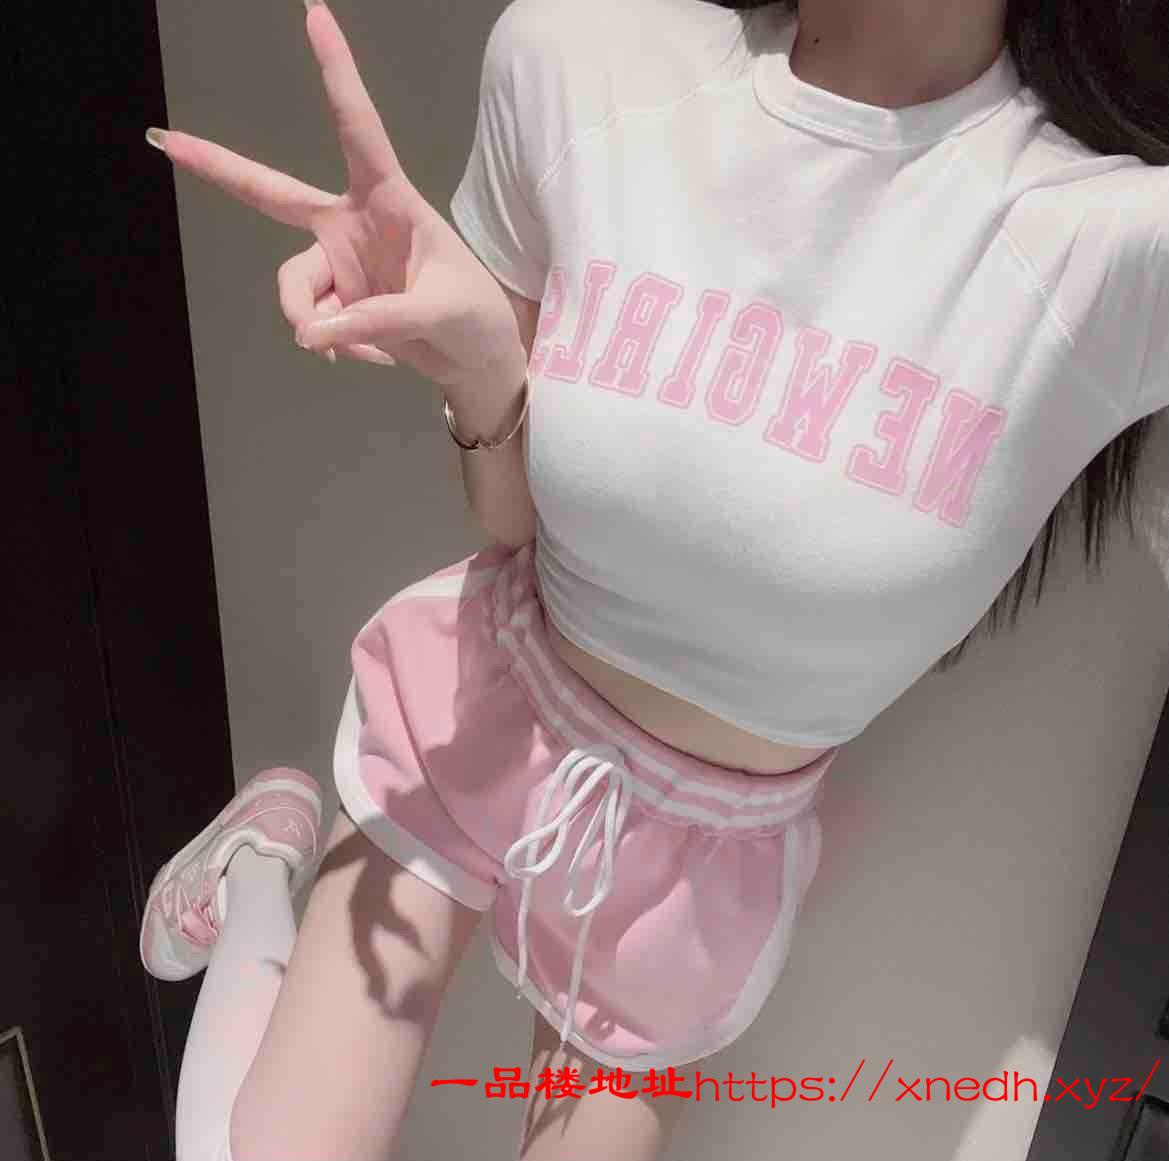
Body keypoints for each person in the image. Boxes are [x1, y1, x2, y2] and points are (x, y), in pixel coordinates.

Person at [137, 0, 1169, 1157]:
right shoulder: (581, 61)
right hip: (489, 699)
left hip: (700, 860)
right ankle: (259, 869)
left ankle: (261, 865)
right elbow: (510, 527)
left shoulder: (1106, 245)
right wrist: (483, 372)